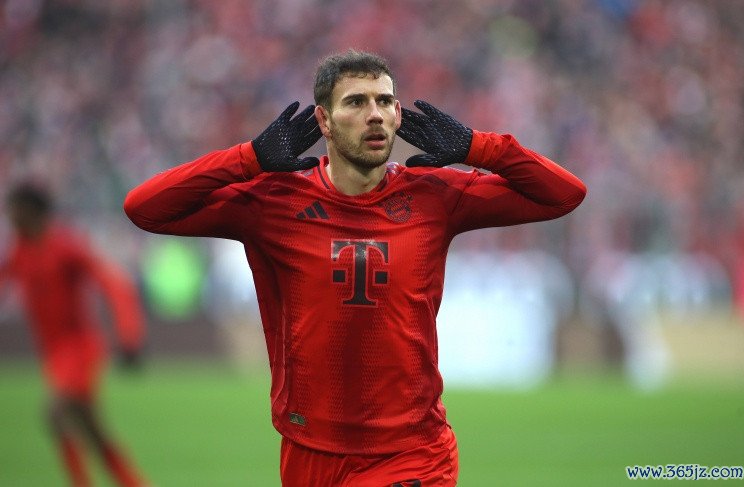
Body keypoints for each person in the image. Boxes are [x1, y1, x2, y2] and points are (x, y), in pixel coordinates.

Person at [124, 49, 586, 486]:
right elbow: (145, 208)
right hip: (308, 450)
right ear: (323, 120)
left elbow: (564, 195)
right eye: (356, 102)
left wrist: (477, 147)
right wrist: (248, 159)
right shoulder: (272, 202)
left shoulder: (435, 196)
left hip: (412, 452)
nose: (375, 114)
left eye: (385, 101)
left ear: (399, 114)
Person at [1, 181, 149, 487]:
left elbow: (112, 283)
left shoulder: (65, 246)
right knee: (91, 431)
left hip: (78, 348)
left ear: (31, 210)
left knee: (56, 413)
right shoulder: (21, 250)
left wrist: (129, 334)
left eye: (13, 209)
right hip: (54, 354)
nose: (9, 216)